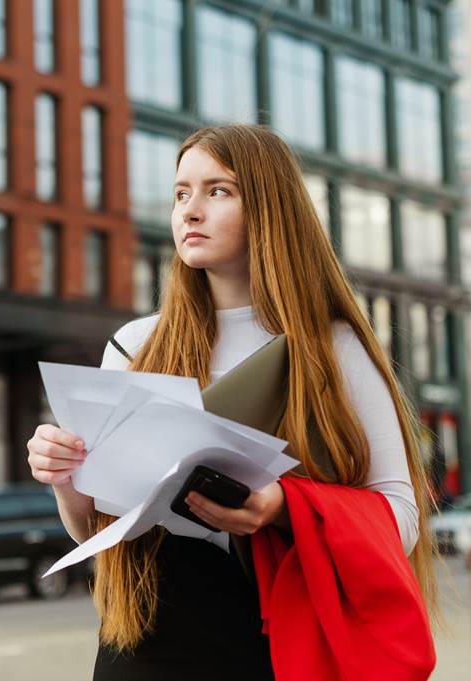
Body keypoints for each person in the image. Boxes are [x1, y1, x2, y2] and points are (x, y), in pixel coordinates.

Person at [27, 124, 439, 680]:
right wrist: (65, 478)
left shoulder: (335, 347)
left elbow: (401, 518)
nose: (189, 211)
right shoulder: (134, 345)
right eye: (180, 193)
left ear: (269, 210)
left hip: (283, 631)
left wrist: (282, 507)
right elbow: (95, 531)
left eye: (217, 191)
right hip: (151, 635)